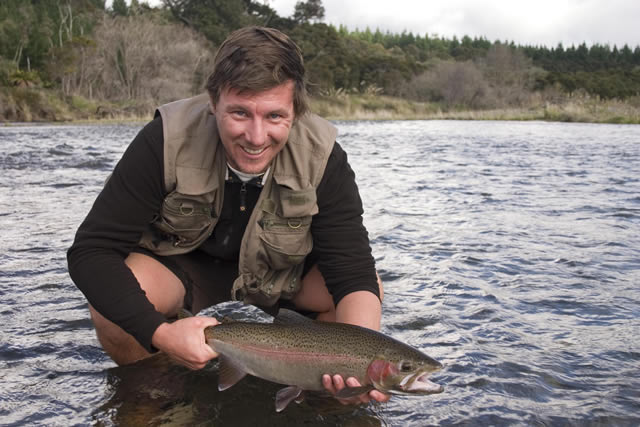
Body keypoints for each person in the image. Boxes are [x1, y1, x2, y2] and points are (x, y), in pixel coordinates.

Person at [67, 26, 388, 405]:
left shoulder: (324, 158)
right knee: (114, 308)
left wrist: (360, 367)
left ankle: (321, 396)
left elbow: (353, 273)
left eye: (274, 116)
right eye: (239, 113)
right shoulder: (164, 139)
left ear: (296, 111)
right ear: (213, 101)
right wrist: (160, 333)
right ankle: (160, 394)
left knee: (368, 295)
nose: (256, 137)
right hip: (184, 268)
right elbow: (91, 252)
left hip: (281, 275)